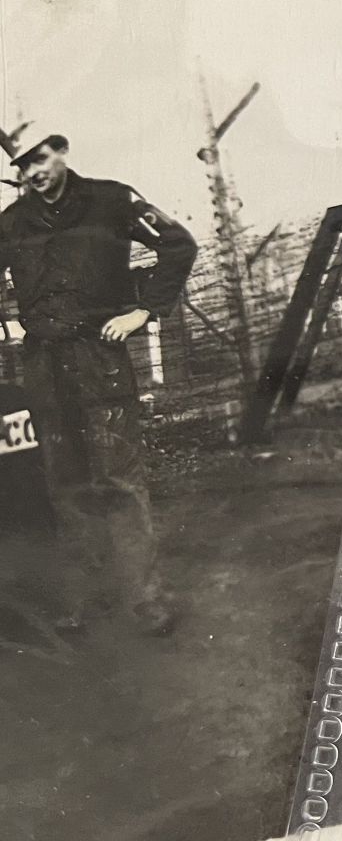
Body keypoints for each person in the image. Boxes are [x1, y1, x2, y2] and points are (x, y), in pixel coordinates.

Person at [0, 133, 198, 636]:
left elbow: (178, 244)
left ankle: (145, 600)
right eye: (24, 165)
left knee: (119, 479)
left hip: (99, 357)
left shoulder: (111, 200)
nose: (34, 171)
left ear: (62, 151)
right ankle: (90, 597)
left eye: (42, 158)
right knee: (64, 480)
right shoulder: (12, 222)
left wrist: (144, 310)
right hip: (44, 362)